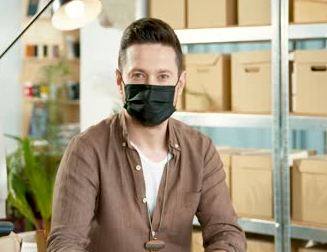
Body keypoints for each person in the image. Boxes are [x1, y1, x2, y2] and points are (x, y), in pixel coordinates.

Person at [47, 17, 247, 252]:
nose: (151, 87)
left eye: (163, 76)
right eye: (138, 76)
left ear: (179, 83)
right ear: (120, 81)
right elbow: (65, 242)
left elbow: (226, 232)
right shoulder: (86, 150)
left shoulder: (201, 150)